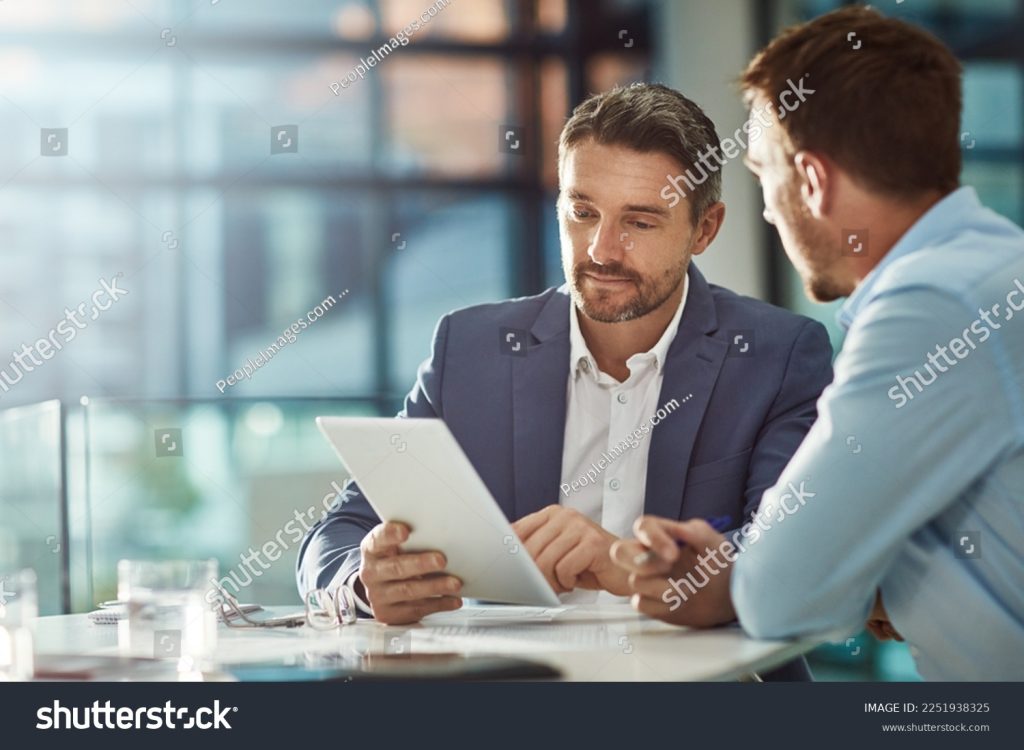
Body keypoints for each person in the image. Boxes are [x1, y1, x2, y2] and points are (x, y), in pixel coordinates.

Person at [296, 85, 833, 661]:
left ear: (704, 229)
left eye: (641, 222)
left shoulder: (777, 354)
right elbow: (339, 531)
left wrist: (617, 562)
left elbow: (790, 554)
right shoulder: (470, 348)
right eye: (582, 213)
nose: (602, 249)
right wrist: (362, 579)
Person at [611, 6, 1024, 681]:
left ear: (812, 181)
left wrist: (740, 580)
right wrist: (870, 582)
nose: (769, 209)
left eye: (766, 176)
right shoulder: (987, 268)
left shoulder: (931, 306)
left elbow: (782, 593)